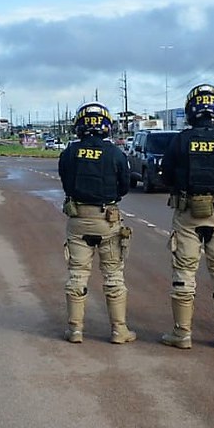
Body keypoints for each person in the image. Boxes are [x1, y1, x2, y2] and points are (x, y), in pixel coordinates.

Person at [160, 84, 214, 349]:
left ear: (191, 110)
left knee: (184, 272)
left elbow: (165, 174)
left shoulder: (181, 139)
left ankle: (182, 334)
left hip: (187, 213)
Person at [58, 102, 135, 344]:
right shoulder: (115, 154)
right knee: (113, 276)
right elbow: (125, 186)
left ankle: (75, 330)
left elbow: (65, 181)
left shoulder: (69, 152)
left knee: (77, 275)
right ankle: (119, 330)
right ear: (106, 127)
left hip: (78, 220)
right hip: (107, 220)